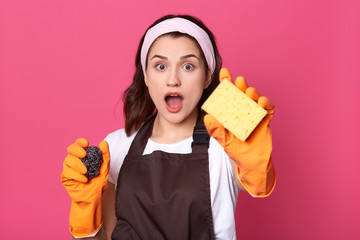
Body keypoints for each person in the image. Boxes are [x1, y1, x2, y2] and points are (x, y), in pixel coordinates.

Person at [61, 14, 276, 240]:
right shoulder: (115, 146)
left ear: (206, 77)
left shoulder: (226, 144)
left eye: (188, 66)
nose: (173, 79)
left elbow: (259, 185)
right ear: (146, 76)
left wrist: (257, 162)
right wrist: (85, 209)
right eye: (160, 66)